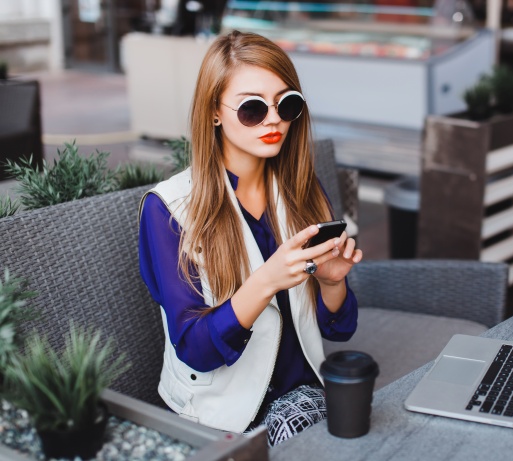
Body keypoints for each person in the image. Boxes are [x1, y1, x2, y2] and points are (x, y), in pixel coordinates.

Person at [138, 30, 362, 447]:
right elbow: (195, 349)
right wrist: (266, 280)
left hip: (305, 393)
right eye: (253, 109)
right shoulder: (167, 209)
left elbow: (340, 328)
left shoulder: (302, 191)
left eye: (287, 103)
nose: (274, 119)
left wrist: (332, 283)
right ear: (214, 114)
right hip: (225, 415)